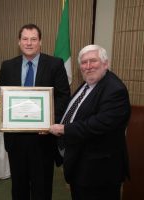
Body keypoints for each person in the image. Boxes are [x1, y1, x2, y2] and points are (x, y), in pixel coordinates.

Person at [0, 23, 70, 200]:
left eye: (33, 39)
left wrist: (48, 122)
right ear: (19, 42)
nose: (29, 43)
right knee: (18, 186)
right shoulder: (8, 66)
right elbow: (0, 95)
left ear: (40, 42)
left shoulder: (55, 64)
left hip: (43, 139)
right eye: (25, 39)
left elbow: (64, 97)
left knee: (41, 187)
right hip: (16, 139)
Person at [49, 44, 131, 200]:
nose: (88, 66)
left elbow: (99, 124)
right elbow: (75, 112)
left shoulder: (115, 89)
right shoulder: (89, 84)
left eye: (93, 61)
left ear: (105, 63)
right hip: (82, 167)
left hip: (99, 172)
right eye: (84, 62)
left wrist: (65, 129)